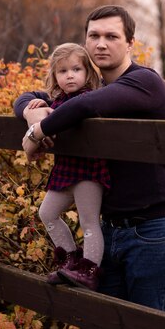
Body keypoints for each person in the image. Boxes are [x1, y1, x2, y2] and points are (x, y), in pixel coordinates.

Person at [15, 5, 165, 313]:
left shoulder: (143, 82)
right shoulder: (87, 85)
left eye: (111, 36)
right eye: (93, 36)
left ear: (130, 43)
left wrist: (37, 132)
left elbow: (85, 106)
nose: (101, 43)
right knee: (100, 322)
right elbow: (26, 96)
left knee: (148, 326)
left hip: (153, 229)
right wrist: (31, 110)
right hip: (109, 230)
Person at [24, 43, 110, 291]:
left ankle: (89, 269)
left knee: (89, 220)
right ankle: (71, 259)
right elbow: (42, 107)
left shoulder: (90, 98)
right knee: (47, 213)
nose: (69, 75)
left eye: (75, 69)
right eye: (62, 71)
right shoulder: (56, 100)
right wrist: (39, 108)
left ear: (87, 73)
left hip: (88, 170)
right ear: (55, 76)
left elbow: (69, 114)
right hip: (66, 168)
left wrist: (46, 113)